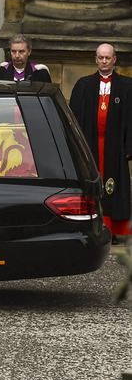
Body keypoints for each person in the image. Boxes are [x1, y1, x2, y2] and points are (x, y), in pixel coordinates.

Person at [70, 43, 132, 243]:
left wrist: (129, 147)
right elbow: (74, 119)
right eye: (100, 57)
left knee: (113, 186)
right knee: (90, 187)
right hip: (90, 146)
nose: (104, 61)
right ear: (95, 59)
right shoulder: (83, 85)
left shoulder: (127, 86)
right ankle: (90, 228)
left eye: (107, 57)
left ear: (115, 60)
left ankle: (111, 230)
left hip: (115, 148)